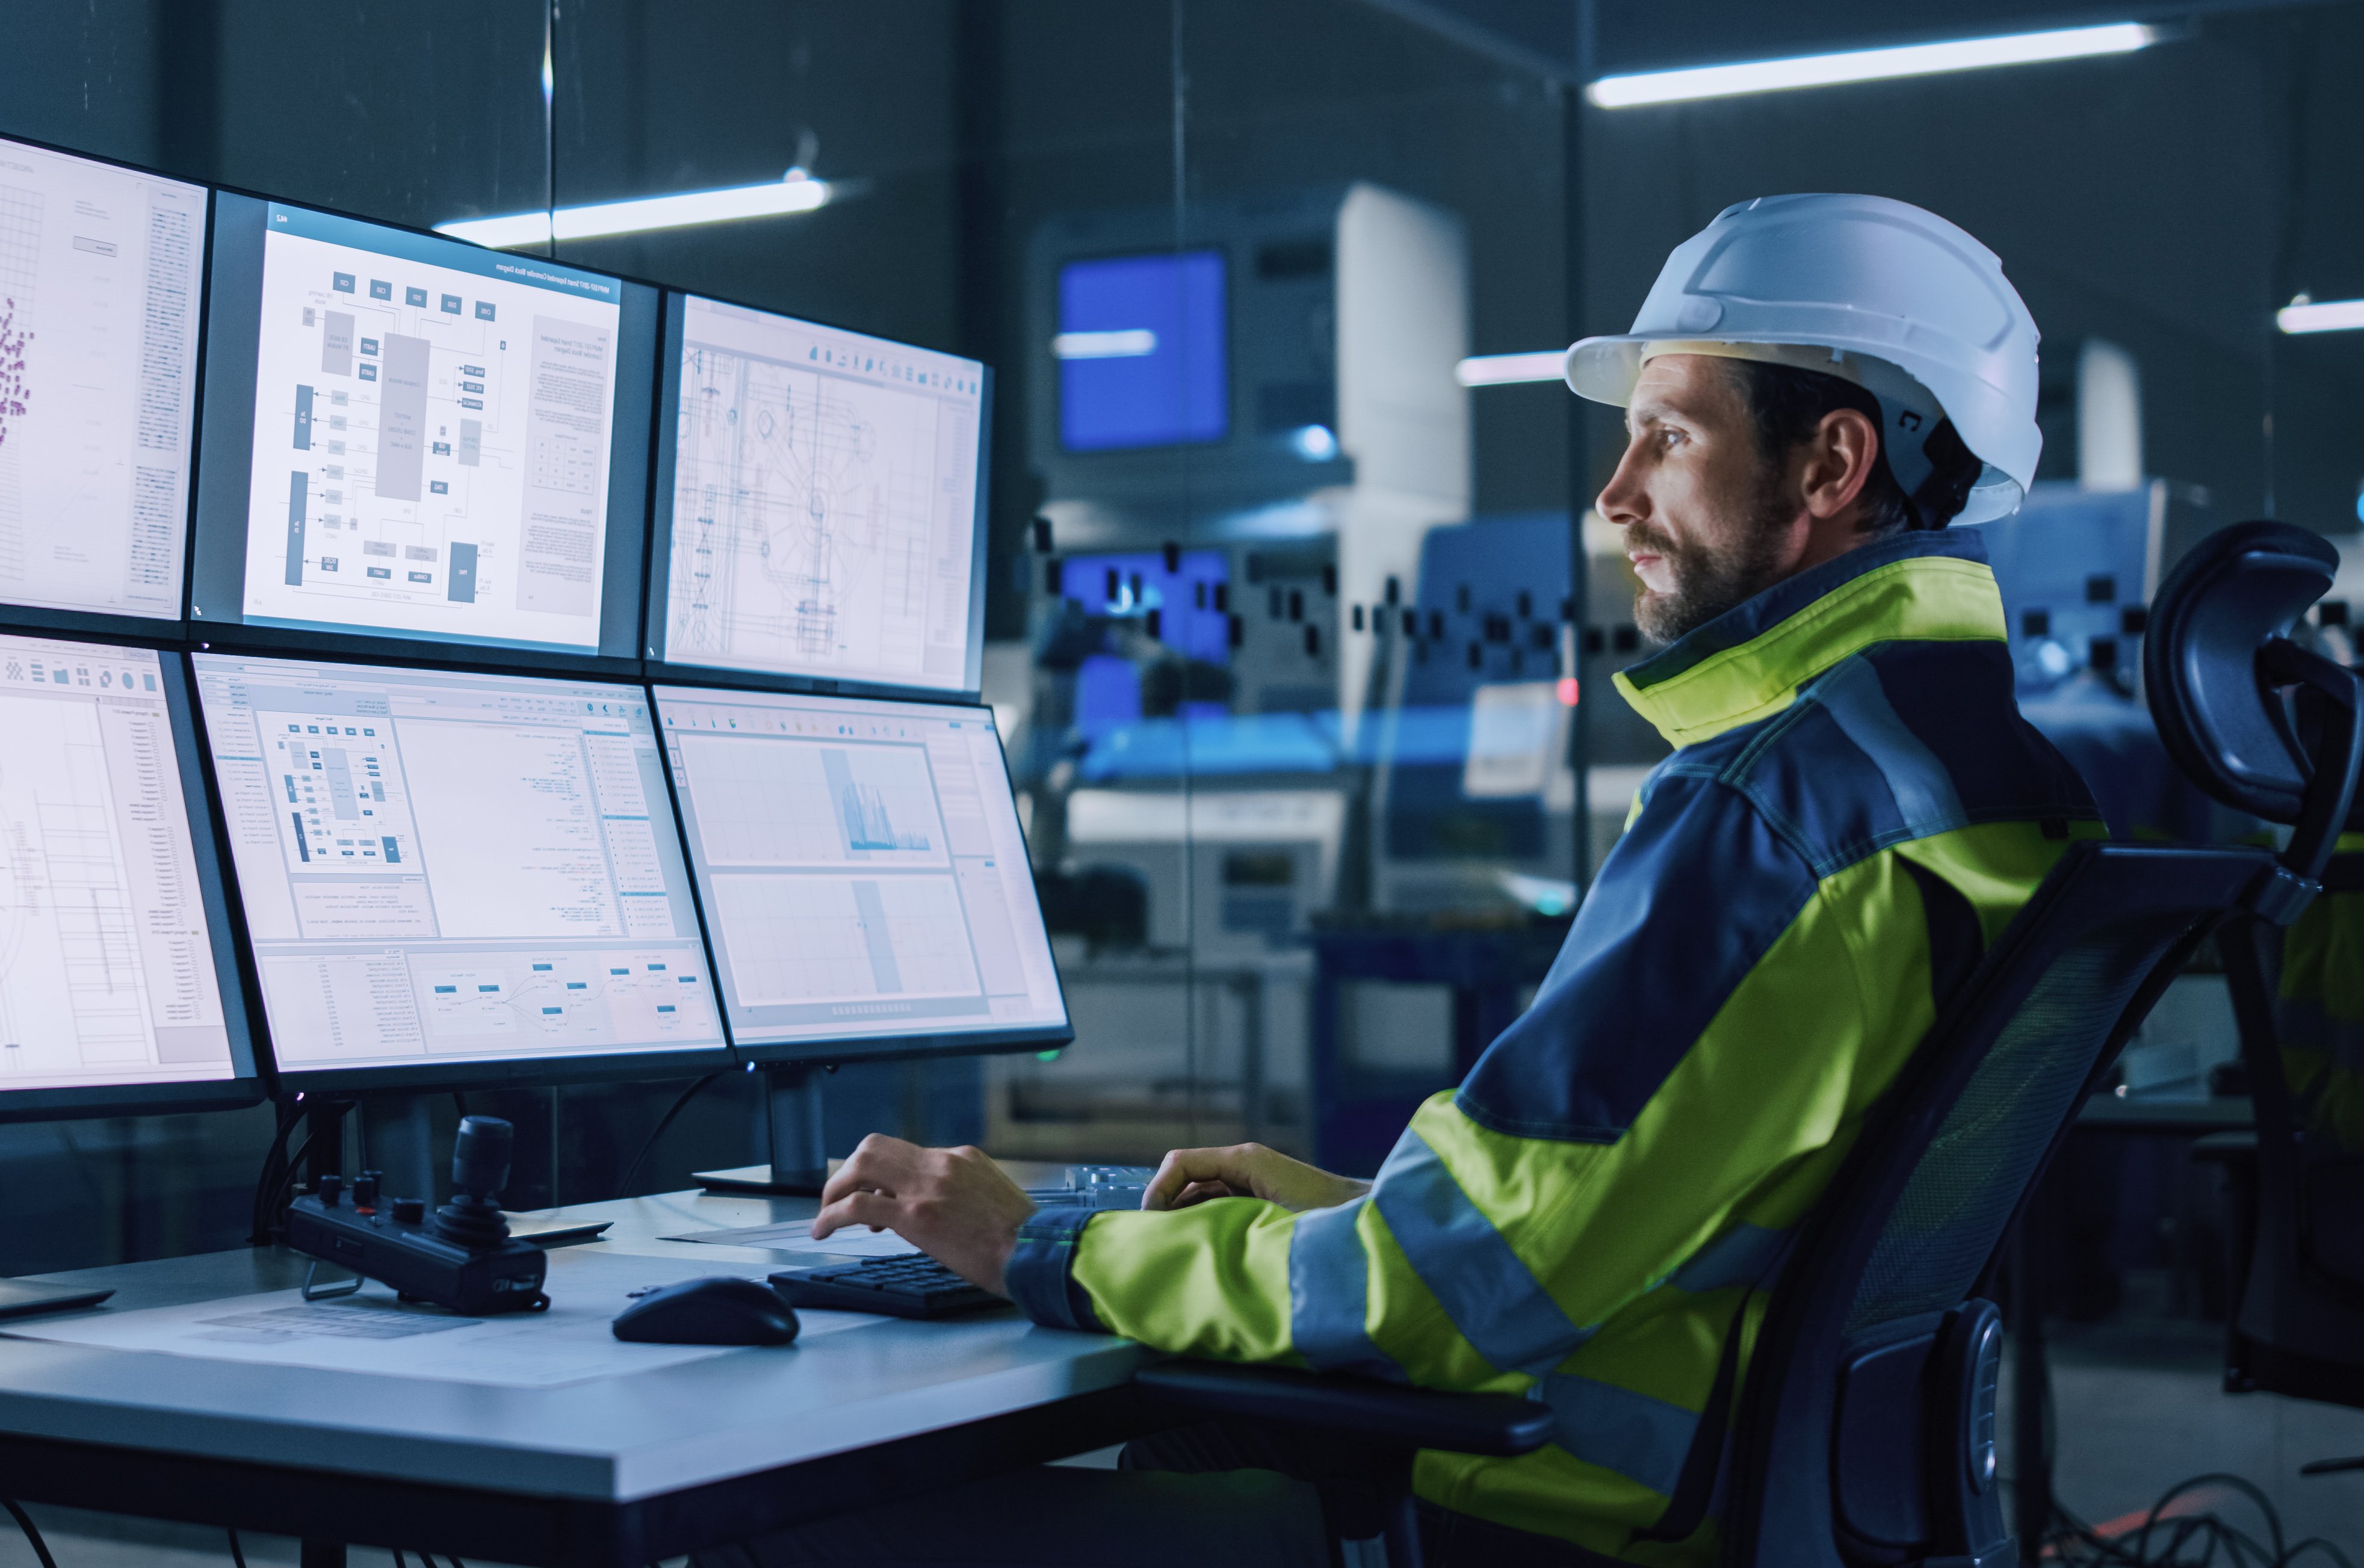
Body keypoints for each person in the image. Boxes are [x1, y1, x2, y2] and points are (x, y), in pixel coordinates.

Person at [710, 195, 2101, 1567]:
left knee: (803, 1525)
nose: (1612, 496)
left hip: (1545, 1512)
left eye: (1666, 438)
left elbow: (1458, 1293)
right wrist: (1335, 1211)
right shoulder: (1992, 787)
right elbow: (1673, 1215)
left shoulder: (1775, 815)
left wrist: (1040, 1246)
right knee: (1192, 1437)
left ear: (1831, 464)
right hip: (1765, 1491)